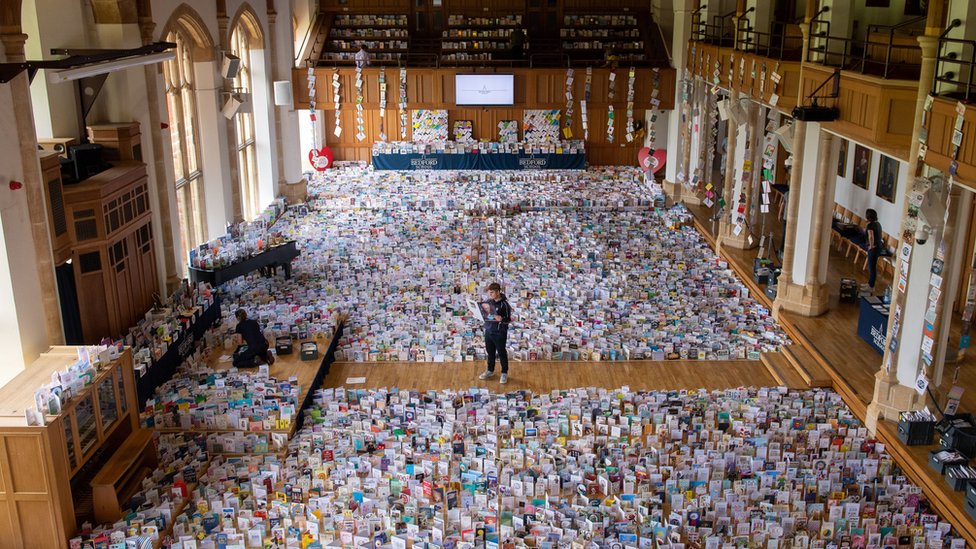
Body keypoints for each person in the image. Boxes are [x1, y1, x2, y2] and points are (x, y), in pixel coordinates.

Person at [478, 282, 512, 384]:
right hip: (488, 330)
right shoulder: (489, 301)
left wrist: (501, 319)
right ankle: (490, 370)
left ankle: (504, 373)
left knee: (501, 353)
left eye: (492, 292)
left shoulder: (505, 305)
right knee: (490, 352)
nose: (490, 294)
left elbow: (508, 319)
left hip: (499, 332)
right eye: (489, 292)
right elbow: (485, 313)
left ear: (498, 292)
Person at [865, 209, 883, 290]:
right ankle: (869, 283)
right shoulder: (878, 224)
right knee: (872, 266)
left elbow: (871, 236)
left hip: (874, 248)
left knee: (871, 267)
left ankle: (871, 286)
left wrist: (871, 246)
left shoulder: (870, 225)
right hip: (878, 247)